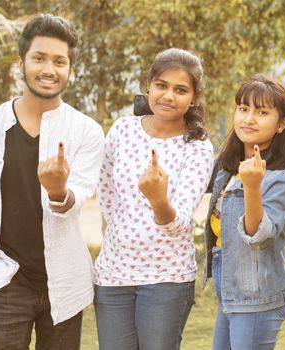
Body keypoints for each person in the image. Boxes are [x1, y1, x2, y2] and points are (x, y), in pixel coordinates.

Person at [0, 14, 104, 349]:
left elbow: (77, 198)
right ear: (21, 63)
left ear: (70, 69)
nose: (49, 69)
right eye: (39, 58)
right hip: (6, 278)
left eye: (59, 61)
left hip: (64, 283)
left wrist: (57, 191)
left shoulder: (87, 131)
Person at [94, 48, 214, 350]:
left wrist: (159, 201)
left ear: (194, 97)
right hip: (113, 276)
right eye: (161, 85)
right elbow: (106, 195)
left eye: (181, 89)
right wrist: (127, 236)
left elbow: (180, 223)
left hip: (167, 279)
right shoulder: (122, 130)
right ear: (148, 86)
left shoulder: (197, 148)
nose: (168, 96)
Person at [202, 74, 285, 350]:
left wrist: (252, 187)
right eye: (243, 109)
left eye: (262, 112)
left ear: (281, 124)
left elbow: (260, 237)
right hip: (231, 291)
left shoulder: (280, 177)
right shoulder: (227, 166)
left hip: (258, 296)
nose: (249, 118)